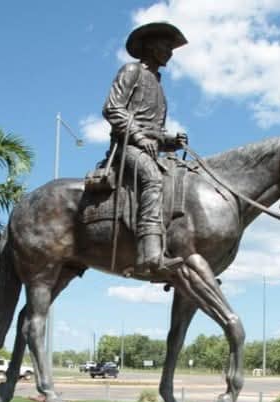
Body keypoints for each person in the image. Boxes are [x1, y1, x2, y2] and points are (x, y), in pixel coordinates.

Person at [103, 22, 189, 274]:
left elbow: (155, 132)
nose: (171, 52)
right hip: (126, 147)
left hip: (146, 147)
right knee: (153, 179)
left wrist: (171, 141)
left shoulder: (158, 84)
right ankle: (149, 254)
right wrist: (139, 137)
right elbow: (112, 109)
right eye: (167, 46)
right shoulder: (132, 71)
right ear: (151, 46)